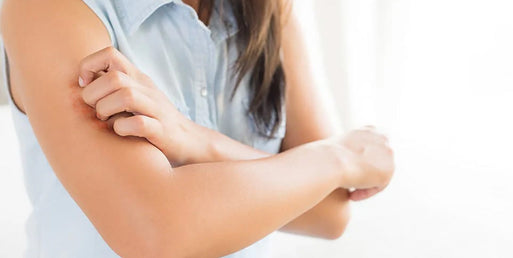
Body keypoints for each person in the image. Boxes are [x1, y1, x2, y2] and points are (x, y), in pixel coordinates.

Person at [0, 0, 394, 257]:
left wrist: (197, 142)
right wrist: (337, 158)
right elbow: (156, 233)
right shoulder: (47, 8)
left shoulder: (270, 10)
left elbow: (329, 212)